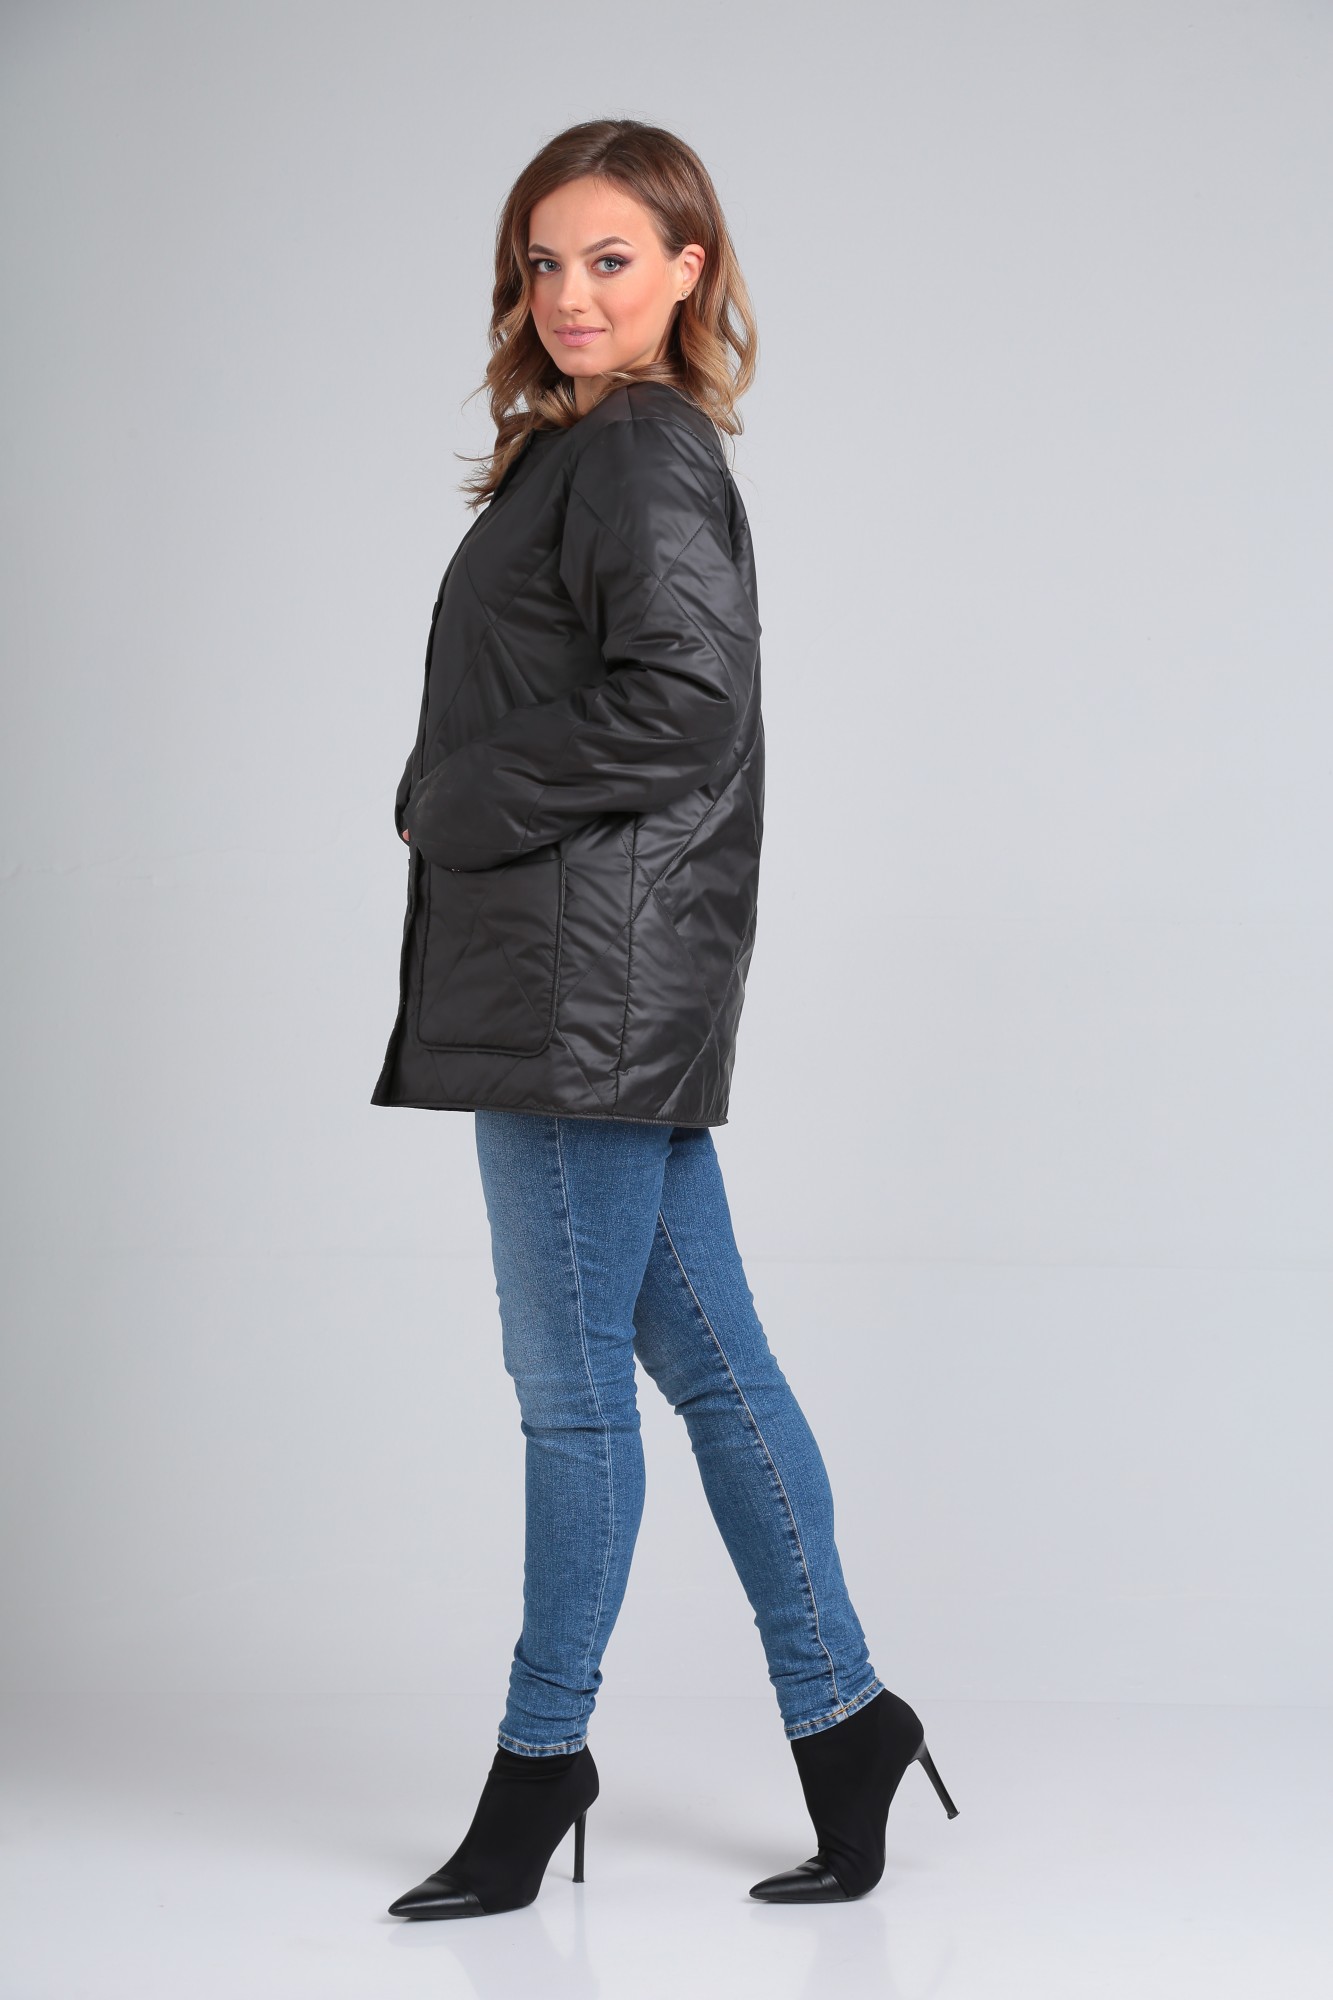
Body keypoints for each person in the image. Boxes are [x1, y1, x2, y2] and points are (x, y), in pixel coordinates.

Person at [374, 118, 958, 1920]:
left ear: (688, 268)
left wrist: (453, 797)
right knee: (714, 1370)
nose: (570, 293)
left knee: (572, 1408)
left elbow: (684, 707)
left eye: (611, 258)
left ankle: (538, 1760)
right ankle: (846, 1720)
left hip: (578, 993)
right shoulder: (593, 449)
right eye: (543, 262)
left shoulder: (632, 448)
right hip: (596, 981)